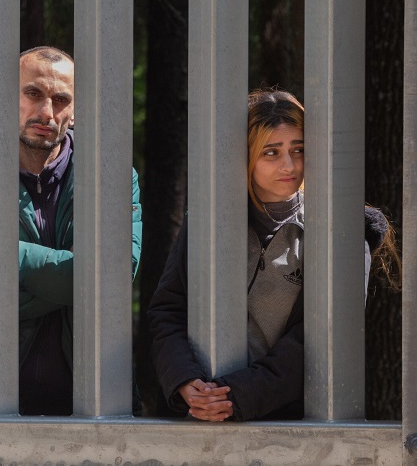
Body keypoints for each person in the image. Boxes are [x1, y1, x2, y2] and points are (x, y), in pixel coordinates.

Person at [147, 89, 400, 422]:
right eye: (271, 152)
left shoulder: (342, 233)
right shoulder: (210, 223)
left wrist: (237, 396)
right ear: (246, 156)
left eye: (299, 149)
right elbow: (168, 310)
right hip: (202, 416)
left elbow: (318, 340)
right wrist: (185, 381)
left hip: (295, 425)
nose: (289, 165)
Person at [0, 47, 143, 415]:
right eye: (33, 94)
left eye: (61, 99)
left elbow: (113, 279)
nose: (47, 112)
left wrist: (6, 259)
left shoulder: (112, 180)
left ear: (75, 109)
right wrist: (77, 277)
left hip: (95, 407)